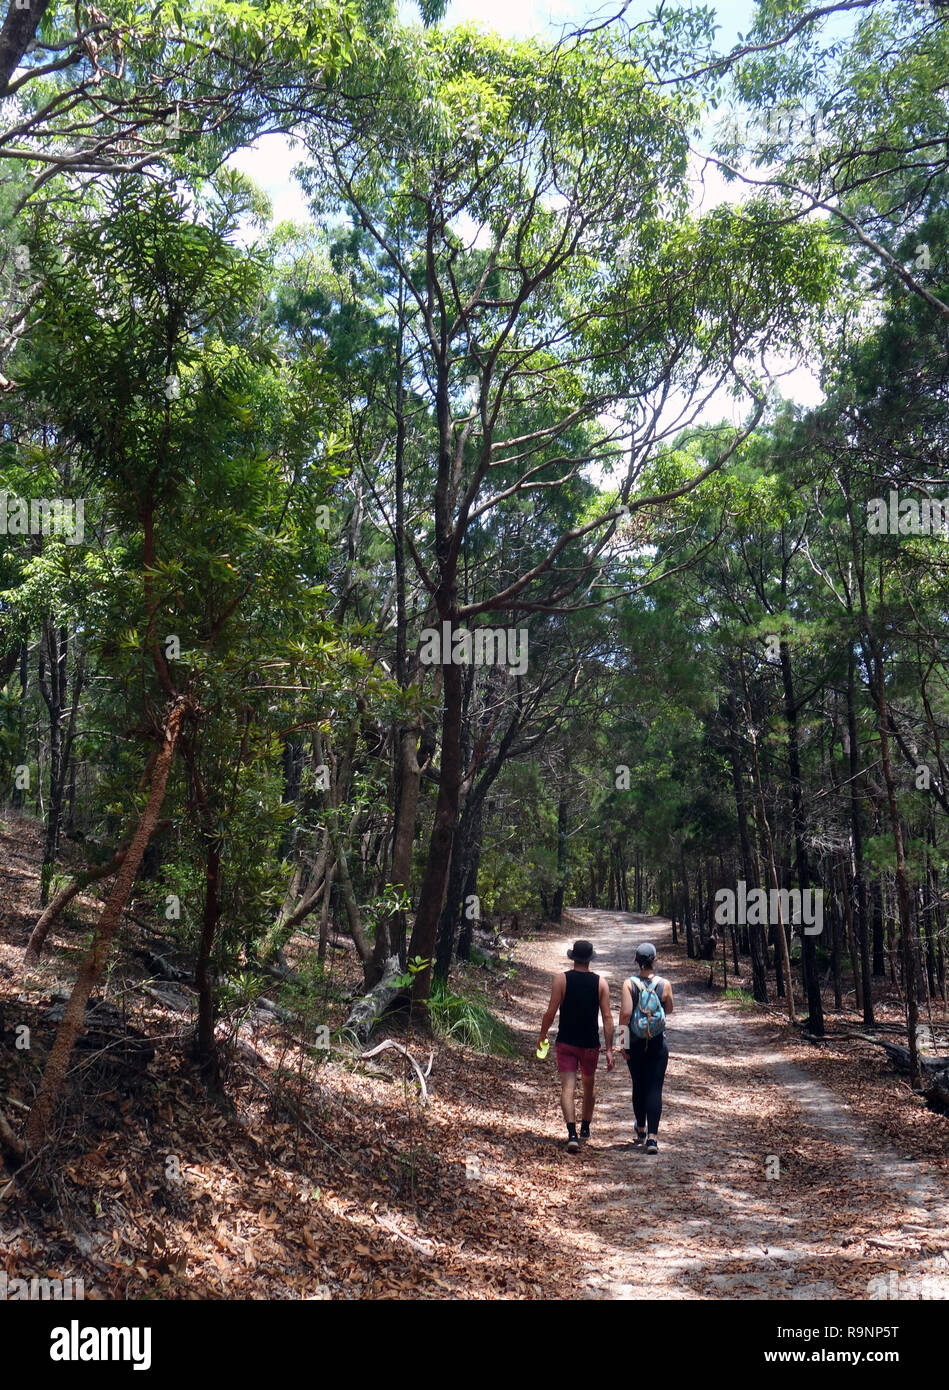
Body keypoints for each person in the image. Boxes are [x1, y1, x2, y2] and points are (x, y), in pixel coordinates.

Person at [537, 939, 614, 1153]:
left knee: (567, 1088)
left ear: (573, 958)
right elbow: (607, 1018)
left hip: (566, 1042)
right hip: (590, 1044)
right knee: (589, 1086)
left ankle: (571, 1134)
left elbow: (550, 1012)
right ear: (590, 959)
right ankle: (585, 1128)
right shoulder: (600, 983)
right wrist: (609, 1049)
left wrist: (542, 1035)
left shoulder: (561, 980)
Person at [618, 942, 673, 1155]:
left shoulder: (629, 984)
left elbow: (624, 1014)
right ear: (654, 960)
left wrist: (622, 1043)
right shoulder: (664, 984)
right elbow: (669, 1009)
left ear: (635, 961)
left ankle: (640, 1128)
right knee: (655, 1087)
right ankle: (653, 1138)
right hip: (658, 1043)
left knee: (639, 1085)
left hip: (636, 1043)